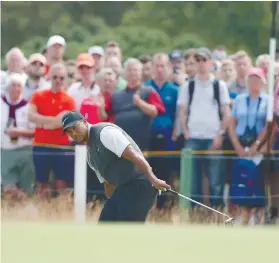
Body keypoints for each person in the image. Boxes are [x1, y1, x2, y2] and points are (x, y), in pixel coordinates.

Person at [61, 111, 171, 222]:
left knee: (128, 230)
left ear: (84, 121)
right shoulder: (90, 155)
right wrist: (112, 204)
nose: (74, 133)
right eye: (70, 132)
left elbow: (134, 155)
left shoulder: (104, 133)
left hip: (140, 185)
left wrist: (153, 180)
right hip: (124, 190)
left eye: (75, 127)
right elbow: (108, 183)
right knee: (105, 224)